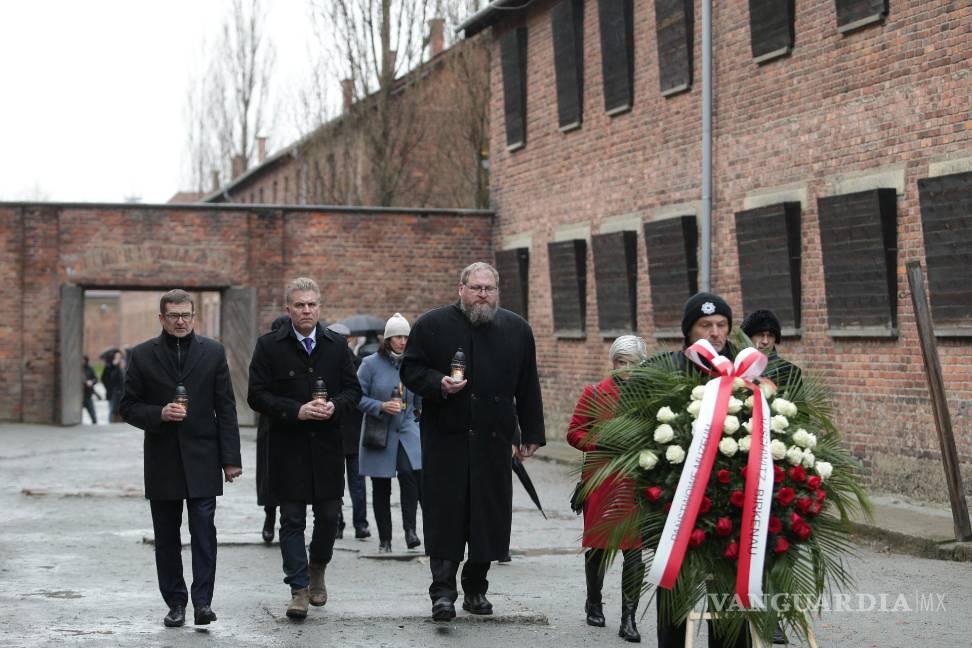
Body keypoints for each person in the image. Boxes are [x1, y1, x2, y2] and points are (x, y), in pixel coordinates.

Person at [400, 261, 545, 622]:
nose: (483, 294)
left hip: (493, 439)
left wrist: (532, 433)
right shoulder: (432, 325)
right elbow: (410, 369)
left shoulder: (517, 329)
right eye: (476, 288)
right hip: (445, 438)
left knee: (487, 516)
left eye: (489, 288)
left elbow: (528, 385)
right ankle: (442, 592)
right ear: (461, 288)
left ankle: (476, 587)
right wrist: (438, 383)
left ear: (497, 292)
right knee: (445, 516)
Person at [120, 289, 242, 628]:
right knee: (167, 538)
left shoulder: (213, 352)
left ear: (194, 316)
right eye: (173, 315)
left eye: (186, 315)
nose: (180, 321)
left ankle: (203, 603)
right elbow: (127, 406)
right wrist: (159, 413)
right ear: (161, 318)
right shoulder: (142, 355)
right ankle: (176, 603)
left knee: (204, 533)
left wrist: (230, 459)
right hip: (163, 459)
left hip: (204, 457)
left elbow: (226, 408)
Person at [247, 277, 362, 620]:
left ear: (319, 307)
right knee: (292, 519)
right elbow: (256, 395)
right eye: (300, 305)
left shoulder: (336, 345)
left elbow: (353, 391)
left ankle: (317, 568)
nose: (306, 310)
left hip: (327, 447)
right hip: (288, 447)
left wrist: (335, 407)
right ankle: (298, 589)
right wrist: (295, 410)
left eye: (312, 304)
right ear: (289, 309)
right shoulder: (269, 346)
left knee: (329, 516)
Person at [648, 291, 747, 648]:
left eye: (721, 324)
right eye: (705, 325)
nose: (715, 332)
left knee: (729, 595)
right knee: (676, 590)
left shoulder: (745, 370)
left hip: (732, 500)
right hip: (678, 501)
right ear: (689, 331)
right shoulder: (666, 369)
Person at [567, 335, 648, 642]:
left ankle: (629, 618)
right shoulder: (595, 393)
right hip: (601, 479)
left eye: (631, 362)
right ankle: (594, 602)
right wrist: (601, 443)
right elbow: (574, 432)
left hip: (635, 481)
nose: (624, 368)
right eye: (619, 362)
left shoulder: (650, 397)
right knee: (600, 547)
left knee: (634, 550)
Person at [357, 313, 423, 553]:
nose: (402, 342)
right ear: (387, 340)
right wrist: (380, 406)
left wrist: (419, 411)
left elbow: (419, 395)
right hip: (380, 430)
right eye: (397, 337)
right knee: (381, 486)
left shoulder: (412, 363)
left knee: (409, 475)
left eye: (406, 337)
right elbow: (356, 397)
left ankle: (410, 531)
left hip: (406, 429)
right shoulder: (369, 364)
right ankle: (385, 539)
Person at [328, 322, 371, 541]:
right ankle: (348, 524)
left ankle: (354, 524)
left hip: (350, 431)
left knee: (353, 483)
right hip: (338, 431)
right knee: (343, 483)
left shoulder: (357, 364)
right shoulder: (329, 365)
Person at [257, 315, 291, 543]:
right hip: (271, 422)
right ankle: (270, 516)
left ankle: (287, 521)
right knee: (269, 474)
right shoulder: (266, 353)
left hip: (295, 421)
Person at [741, 309, 802, 393]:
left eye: (770, 335)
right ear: (748, 337)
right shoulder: (734, 370)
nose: (765, 341)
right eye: (760, 334)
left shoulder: (791, 372)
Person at [103, 350, 126, 422]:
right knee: (112, 410)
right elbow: (108, 378)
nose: (119, 359)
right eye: (117, 357)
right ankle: (111, 423)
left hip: (122, 393)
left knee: (121, 411)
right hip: (113, 393)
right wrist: (114, 366)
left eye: (120, 357)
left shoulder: (122, 367)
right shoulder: (109, 366)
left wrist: (122, 368)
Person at [82, 355, 98, 424]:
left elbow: (95, 379)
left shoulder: (89, 368)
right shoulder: (76, 369)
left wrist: (91, 382)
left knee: (93, 415)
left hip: (87, 394)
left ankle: (94, 424)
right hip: (78, 396)